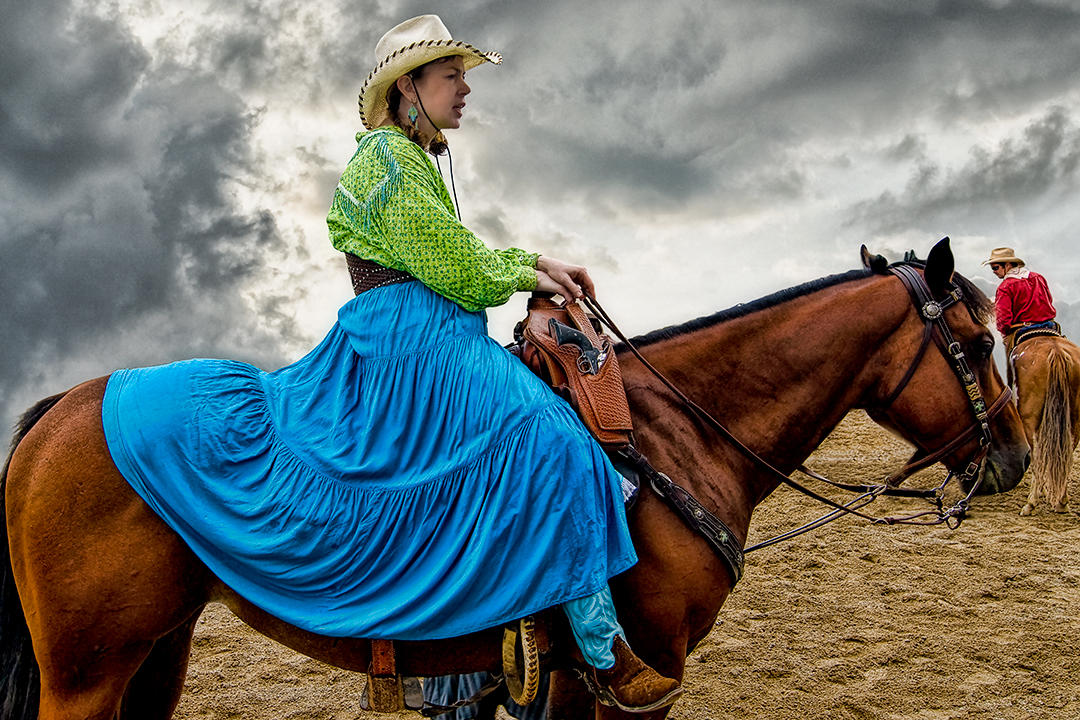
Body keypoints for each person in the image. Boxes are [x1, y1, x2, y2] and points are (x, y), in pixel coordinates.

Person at [329, 14, 681, 713]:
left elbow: (456, 261)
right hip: (416, 341)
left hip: (427, 330)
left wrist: (534, 265)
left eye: (464, 75)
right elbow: (462, 270)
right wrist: (533, 267)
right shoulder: (390, 162)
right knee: (554, 441)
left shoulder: (406, 159)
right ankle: (605, 653)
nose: (466, 89)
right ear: (410, 86)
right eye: (452, 75)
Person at [983, 247, 1057, 346]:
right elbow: (1048, 300)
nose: (994, 271)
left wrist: (1004, 333)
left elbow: (1003, 319)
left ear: (1008, 265)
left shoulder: (1004, 287)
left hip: (1024, 329)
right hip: (1050, 326)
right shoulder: (1038, 277)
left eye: (995, 268)